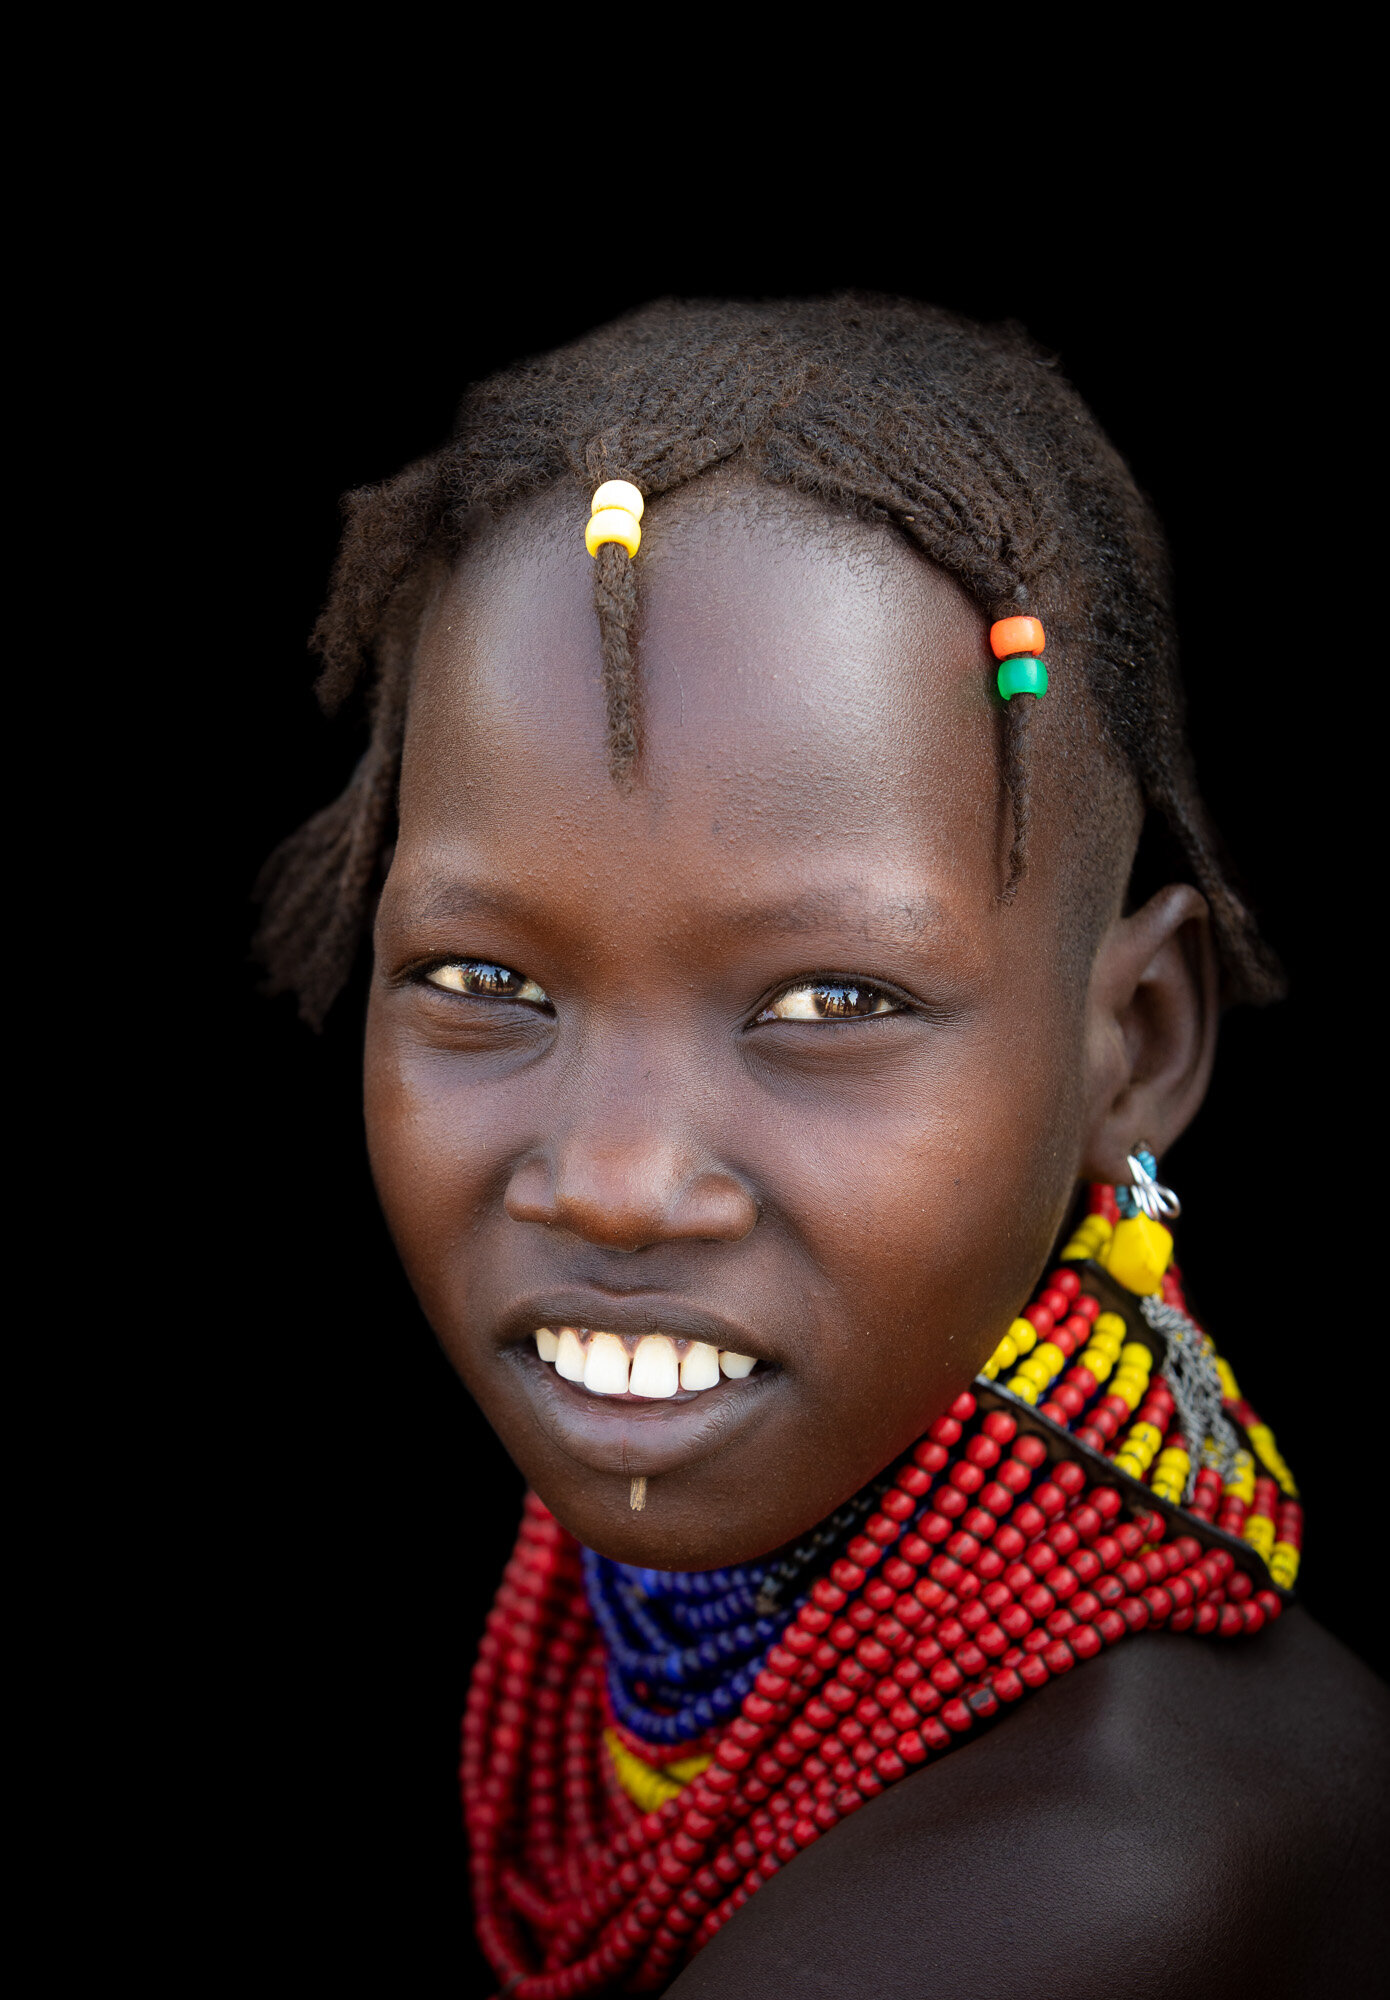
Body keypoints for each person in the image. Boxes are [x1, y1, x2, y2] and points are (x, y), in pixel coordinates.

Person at [257, 297, 1388, 1996]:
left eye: (828, 1001)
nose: (616, 1181)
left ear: (1134, 1046)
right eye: (483, 981)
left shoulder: (1095, 1889)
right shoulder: (664, 1609)